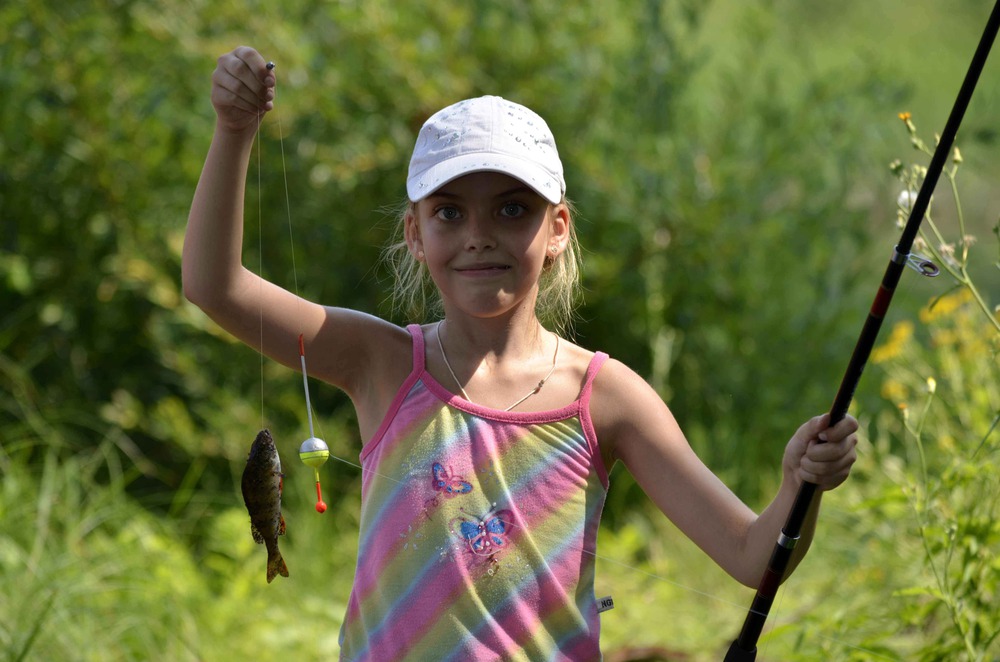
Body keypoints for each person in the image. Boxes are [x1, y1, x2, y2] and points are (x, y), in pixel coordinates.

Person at [183, 46, 858, 661]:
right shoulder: (380, 361)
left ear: (557, 228)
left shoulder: (606, 396)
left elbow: (750, 554)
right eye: (450, 212)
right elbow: (215, 286)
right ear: (415, 234)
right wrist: (234, 132)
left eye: (511, 210)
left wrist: (800, 484)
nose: (479, 236)